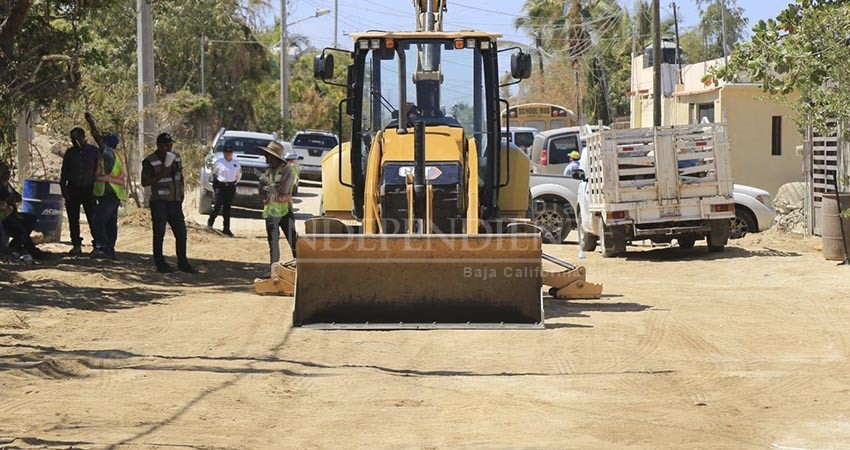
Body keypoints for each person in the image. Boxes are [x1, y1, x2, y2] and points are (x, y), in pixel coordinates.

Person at [141, 133, 197, 274]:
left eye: (170, 145)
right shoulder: (150, 161)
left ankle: (182, 262)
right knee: (159, 233)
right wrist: (162, 173)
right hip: (159, 202)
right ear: (159, 145)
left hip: (175, 202)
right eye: (166, 145)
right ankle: (160, 264)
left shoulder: (176, 157)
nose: (169, 147)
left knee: (181, 233)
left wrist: (181, 195)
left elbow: (180, 177)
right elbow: (144, 182)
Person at [85, 113, 127, 259]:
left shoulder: (108, 153)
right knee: (110, 222)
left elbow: (97, 138)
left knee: (98, 221)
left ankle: (103, 248)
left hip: (109, 194)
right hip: (113, 194)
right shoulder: (117, 154)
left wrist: (91, 123)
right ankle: (110, 249)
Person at [258, 141, 296, 273]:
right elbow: (260, 189)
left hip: (285, 210)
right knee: (273, 242)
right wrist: (271, 188)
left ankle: (301, 268)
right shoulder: (268, 171)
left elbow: (284, 190)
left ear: (276, 157)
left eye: (269, 156)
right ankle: (274, 270)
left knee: (293, 240)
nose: (267, 159)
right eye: (266, 156)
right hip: (270, 211)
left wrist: (268, 187)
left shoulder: (288, 170)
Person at [60, 126, 99, 254]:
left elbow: (98, 172)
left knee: (93, 219)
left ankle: (97, 244)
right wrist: (64, 189)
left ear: (82, 137)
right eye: (71, 139)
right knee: (73, 219)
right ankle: (76, 244)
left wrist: (97, 191)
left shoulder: (94, 152)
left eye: (74, 139)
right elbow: (64, 173)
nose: (73, 141)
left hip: (89, 191)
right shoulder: (70, 153)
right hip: (73, 190)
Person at [0, 162, 48, 260]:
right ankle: (34, 252)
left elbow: (17, 197)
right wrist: (10, 198)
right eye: (6, 171)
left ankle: (15, 245)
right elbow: (5, 198)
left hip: (11, 213)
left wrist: (11, 198)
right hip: (4, 216)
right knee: (21, 230)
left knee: (31, 219)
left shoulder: (6, 184)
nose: (9, 173)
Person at [207, 145, 241, 236]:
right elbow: (213, 174)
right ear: (224, 153)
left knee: (227, 208)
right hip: (220, 186)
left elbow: (238, 176)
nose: (228, 153)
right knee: (217, 205)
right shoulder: (219, 162)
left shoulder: (236, 164)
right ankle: (209, 225)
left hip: (230, 187)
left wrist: (232, 183)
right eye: (226, 151)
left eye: (230, 152)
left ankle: (226, 229)